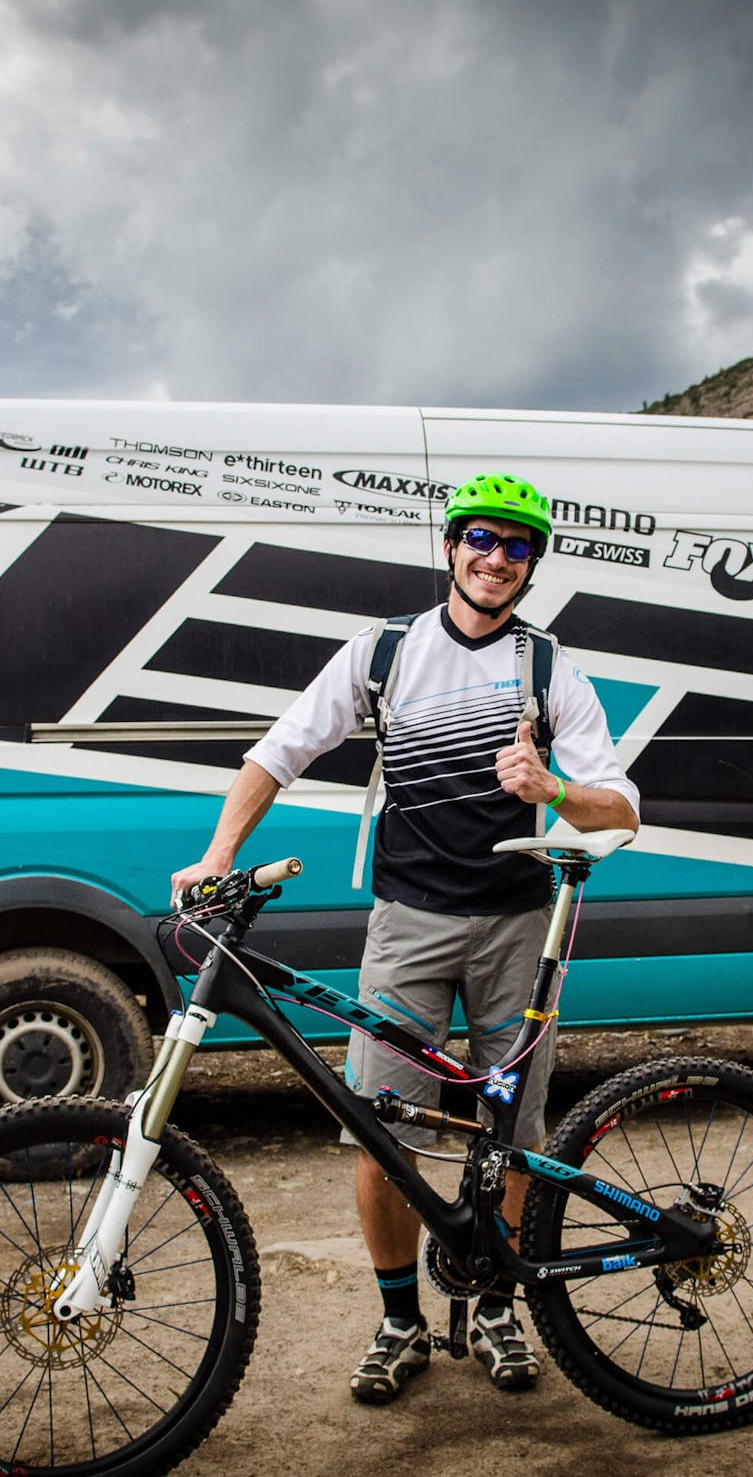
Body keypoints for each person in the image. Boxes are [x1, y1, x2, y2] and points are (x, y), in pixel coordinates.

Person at [171, 471, 640, 1406]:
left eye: (517, 546)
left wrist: (553, 789)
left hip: (518, 927)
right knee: (380, 1129)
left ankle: (501, 1304)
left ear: (531, 564)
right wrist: (219, 852)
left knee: (511, 1133)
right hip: (408, 925)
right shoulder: (383, 655)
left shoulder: (551, 670)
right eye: (482, 539)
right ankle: (398, 1319)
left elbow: (622, 805)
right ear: (451, 546)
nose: (496, 558)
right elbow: (279, 750)